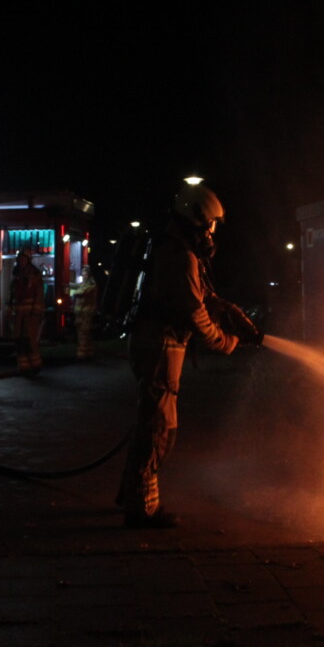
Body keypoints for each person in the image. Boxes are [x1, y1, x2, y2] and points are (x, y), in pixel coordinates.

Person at [117, 182, 244, 529]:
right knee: (159, 428)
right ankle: (142, 509)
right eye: (210, 225)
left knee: (150, 422)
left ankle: (132, 491)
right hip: (161, 346)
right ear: (196, 219)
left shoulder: (176, 249)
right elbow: (193, 312)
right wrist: (224, 342)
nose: (212, 232)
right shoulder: (179, 255)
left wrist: (229, 311)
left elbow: (202, 297)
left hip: (156, 343)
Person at [8, 250, 45, 374]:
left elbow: (39, 294)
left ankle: (35, 365)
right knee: (18, 339)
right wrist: (10, 308)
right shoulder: (17, 273)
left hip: (30, 313)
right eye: (19, 258)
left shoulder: (34, 274)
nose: (20, 260)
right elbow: (13, 293)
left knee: (29, 339)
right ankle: (23, 366)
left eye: (23, 258)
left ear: (28, 260)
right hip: (19, 312)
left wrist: (36, 311)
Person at [69, 264, 99, 360]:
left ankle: (82, 354)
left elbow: (80, 292)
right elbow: (77, 286)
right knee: (84, 333)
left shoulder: (91, 285)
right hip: (81, 313)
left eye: (85, 274)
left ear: (89, 275)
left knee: (83, 333)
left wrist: (70, 291)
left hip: (86, 313)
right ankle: (89, 352)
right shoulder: (85, 283)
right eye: (83, 274)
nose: (84, 276)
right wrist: (68, 285)